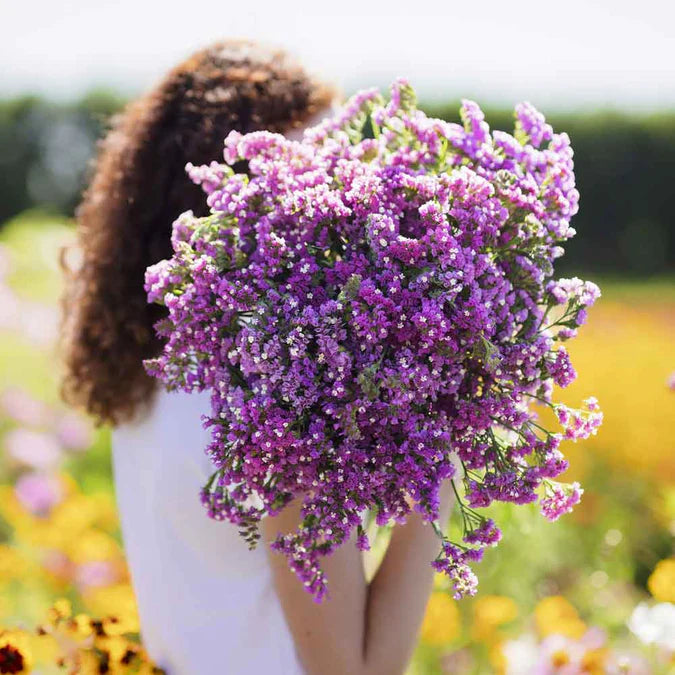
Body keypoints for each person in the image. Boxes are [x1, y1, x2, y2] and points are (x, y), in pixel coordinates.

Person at [61, 40, 453, 675]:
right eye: (318, 168)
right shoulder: (279, 393)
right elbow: (355, 671)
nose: (349, 198)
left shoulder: (156, 370)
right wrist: (446, 448)